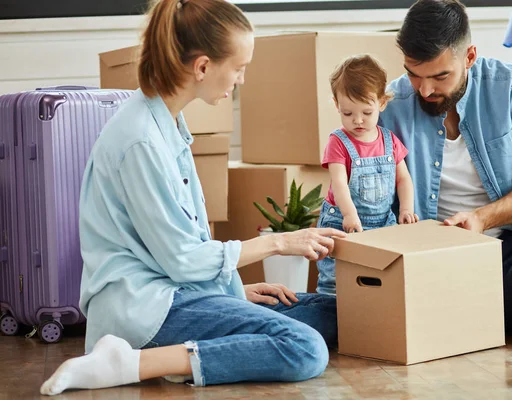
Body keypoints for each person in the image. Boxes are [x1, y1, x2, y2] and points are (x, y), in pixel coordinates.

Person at [40, 0, 346, 396]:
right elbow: (183, 259)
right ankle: (129, 361)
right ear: (202, 67)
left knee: (333, 314)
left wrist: (231, 294)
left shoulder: (167, 120)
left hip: (180, 290)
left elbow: (186, 243)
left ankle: (195, 348)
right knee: (306, 348)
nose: (241, 80)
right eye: (238, 69)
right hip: (145, 308)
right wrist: (279, 242)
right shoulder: (140, 140)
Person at [379, 0, 512, 339]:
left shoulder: (507, 84)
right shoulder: (390, 105)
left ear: (469, 57)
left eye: (440, 76)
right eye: (413, 73)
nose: (424, 90)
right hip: (452, 259)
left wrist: (483, 218)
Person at [316, 54, 418, 295]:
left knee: (382, 278)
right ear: (336, 105)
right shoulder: (338, 142)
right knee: (337, 281)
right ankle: (331, 311)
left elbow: (403, 178)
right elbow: (339, 183)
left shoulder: (389, 140)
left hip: (383, 222)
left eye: (366, 112)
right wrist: (349, 214)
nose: (358, 121)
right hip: (344, 222)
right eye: (348, 113)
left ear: (382, 103)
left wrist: (406, 209)